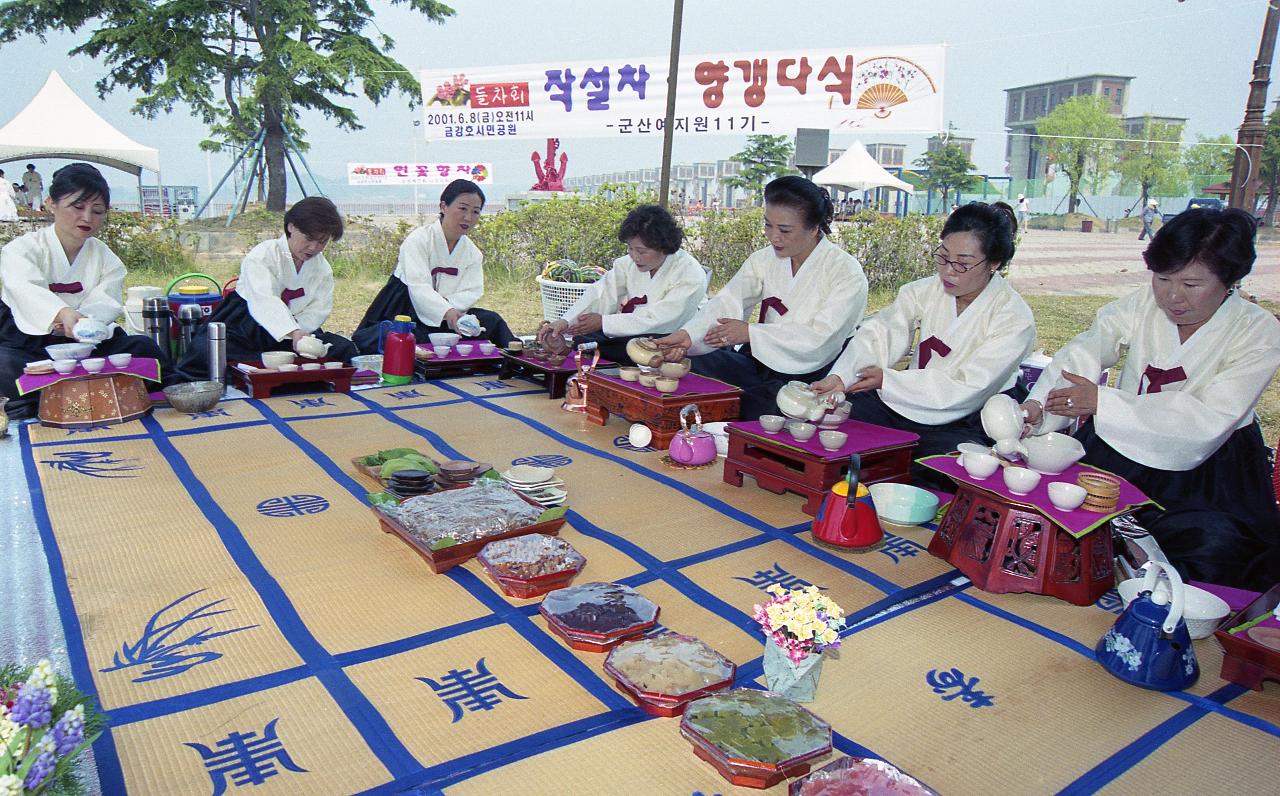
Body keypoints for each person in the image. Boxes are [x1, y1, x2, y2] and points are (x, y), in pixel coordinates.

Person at [1022, 208, 1280, 590]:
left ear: (1230, 280)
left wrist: (1103, 403)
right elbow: (1088, 347)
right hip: (1121, 442)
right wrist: (1040, 404)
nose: (1172, 296)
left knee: (1210, 551)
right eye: (1162, 279)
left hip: (1211, 470)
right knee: (1072, 526)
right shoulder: (1143, 304)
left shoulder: (1258, 331)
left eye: (1191, 285)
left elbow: (1209, 419)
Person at [812, 202, 1034, 478]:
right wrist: (843, 378)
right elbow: (883, 331)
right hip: (908, 396)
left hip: (968, 414)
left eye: (962, 264)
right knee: (840, 424)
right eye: (943, 256)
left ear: (994, 262)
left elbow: (971, 386)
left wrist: (889, 380)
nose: (948, 271)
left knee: (949, 466)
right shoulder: (925, 291)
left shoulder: (1014, 317)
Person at [655, 176, 868, 419]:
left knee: (772, 406)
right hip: (758, 359)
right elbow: (729, 301)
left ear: (814, 227)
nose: (773, 236)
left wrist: (751, 333)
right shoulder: (763, 259)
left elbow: (821, 338)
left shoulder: (846, 272)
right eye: (768, 225)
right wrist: (688, 336)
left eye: (784, 230)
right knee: (697, 368)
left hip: (808, 373)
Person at [0, 163, 169, 418]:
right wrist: (60, 313)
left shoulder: (105, 257)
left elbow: (106, 301)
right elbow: (24, 288)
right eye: (77, 207)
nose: (87, 218)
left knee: (143, 348)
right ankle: (76, 394)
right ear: (51, 204)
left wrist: (81, 323)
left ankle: (53, 396)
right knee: (4, 363)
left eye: (97, 210)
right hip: (27, 341)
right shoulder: (21, 249)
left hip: (87, 343)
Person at [175, 196, 357, 379]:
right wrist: (291, 330)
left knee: (343, 348)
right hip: (245, 327)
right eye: (309, 238)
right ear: (291, 227)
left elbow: (318, 308)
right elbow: (263, 299)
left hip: (297, 334)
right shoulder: (263, 255)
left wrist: (300, 336)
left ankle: (280, 371)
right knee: (208, 352)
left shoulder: (322, 269)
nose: (314, 247)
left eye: (322, 242)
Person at [353, 179, 515, 353]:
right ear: (443, 206)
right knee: (402, 337)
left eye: (475, 212)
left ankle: (518, 360)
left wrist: (451, 311)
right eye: (462, 208)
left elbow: (472, 290)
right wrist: (444, 310)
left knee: (492, 321)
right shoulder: (419, 239)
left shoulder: (472, 253)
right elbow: (418, 286)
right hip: (406, 308)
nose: (468, 217)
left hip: (452, 314)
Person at [537, 205, 707, 364]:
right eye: (630, 248)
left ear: (663, 247)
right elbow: (602, 293)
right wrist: (566, 321)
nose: (635, 256)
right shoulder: (627, 264)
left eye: (641, 251)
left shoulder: (689, 274)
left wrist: (605, 322)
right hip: (631, 331)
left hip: (668, 338)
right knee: (586, 340)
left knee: (622, 348)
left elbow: (661, 319)